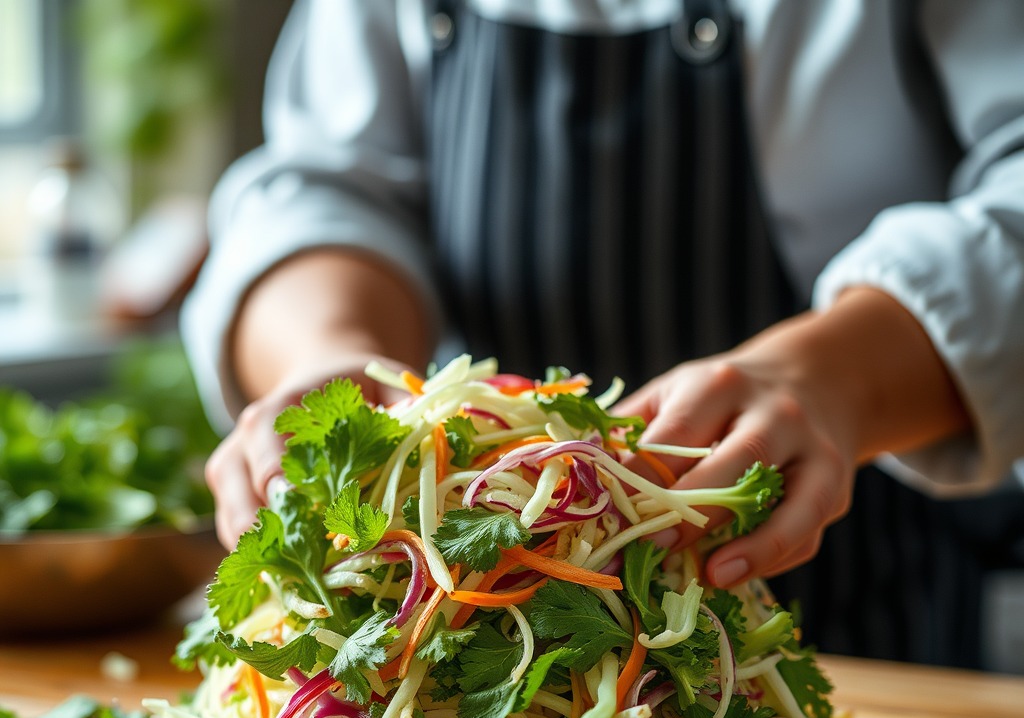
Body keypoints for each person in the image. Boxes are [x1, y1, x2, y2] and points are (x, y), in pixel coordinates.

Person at [182, 0, 1024, 667]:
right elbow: (333, 183)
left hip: (859, 602)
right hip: (453, 617)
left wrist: (835, 379)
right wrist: (330, 355)